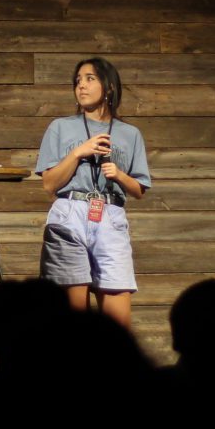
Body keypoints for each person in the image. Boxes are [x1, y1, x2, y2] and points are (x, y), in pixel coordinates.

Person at [35, 57, 151, 327]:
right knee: (72, 319)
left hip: (110, 215)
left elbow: (139, 190)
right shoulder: (60, 127)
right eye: (78, 81)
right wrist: (79, 152)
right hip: (70, 213)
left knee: (118, 321)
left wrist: (119, 174)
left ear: (108, 87)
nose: (81, 86)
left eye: (90, 79)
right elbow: (50, 184)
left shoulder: (130, 133)